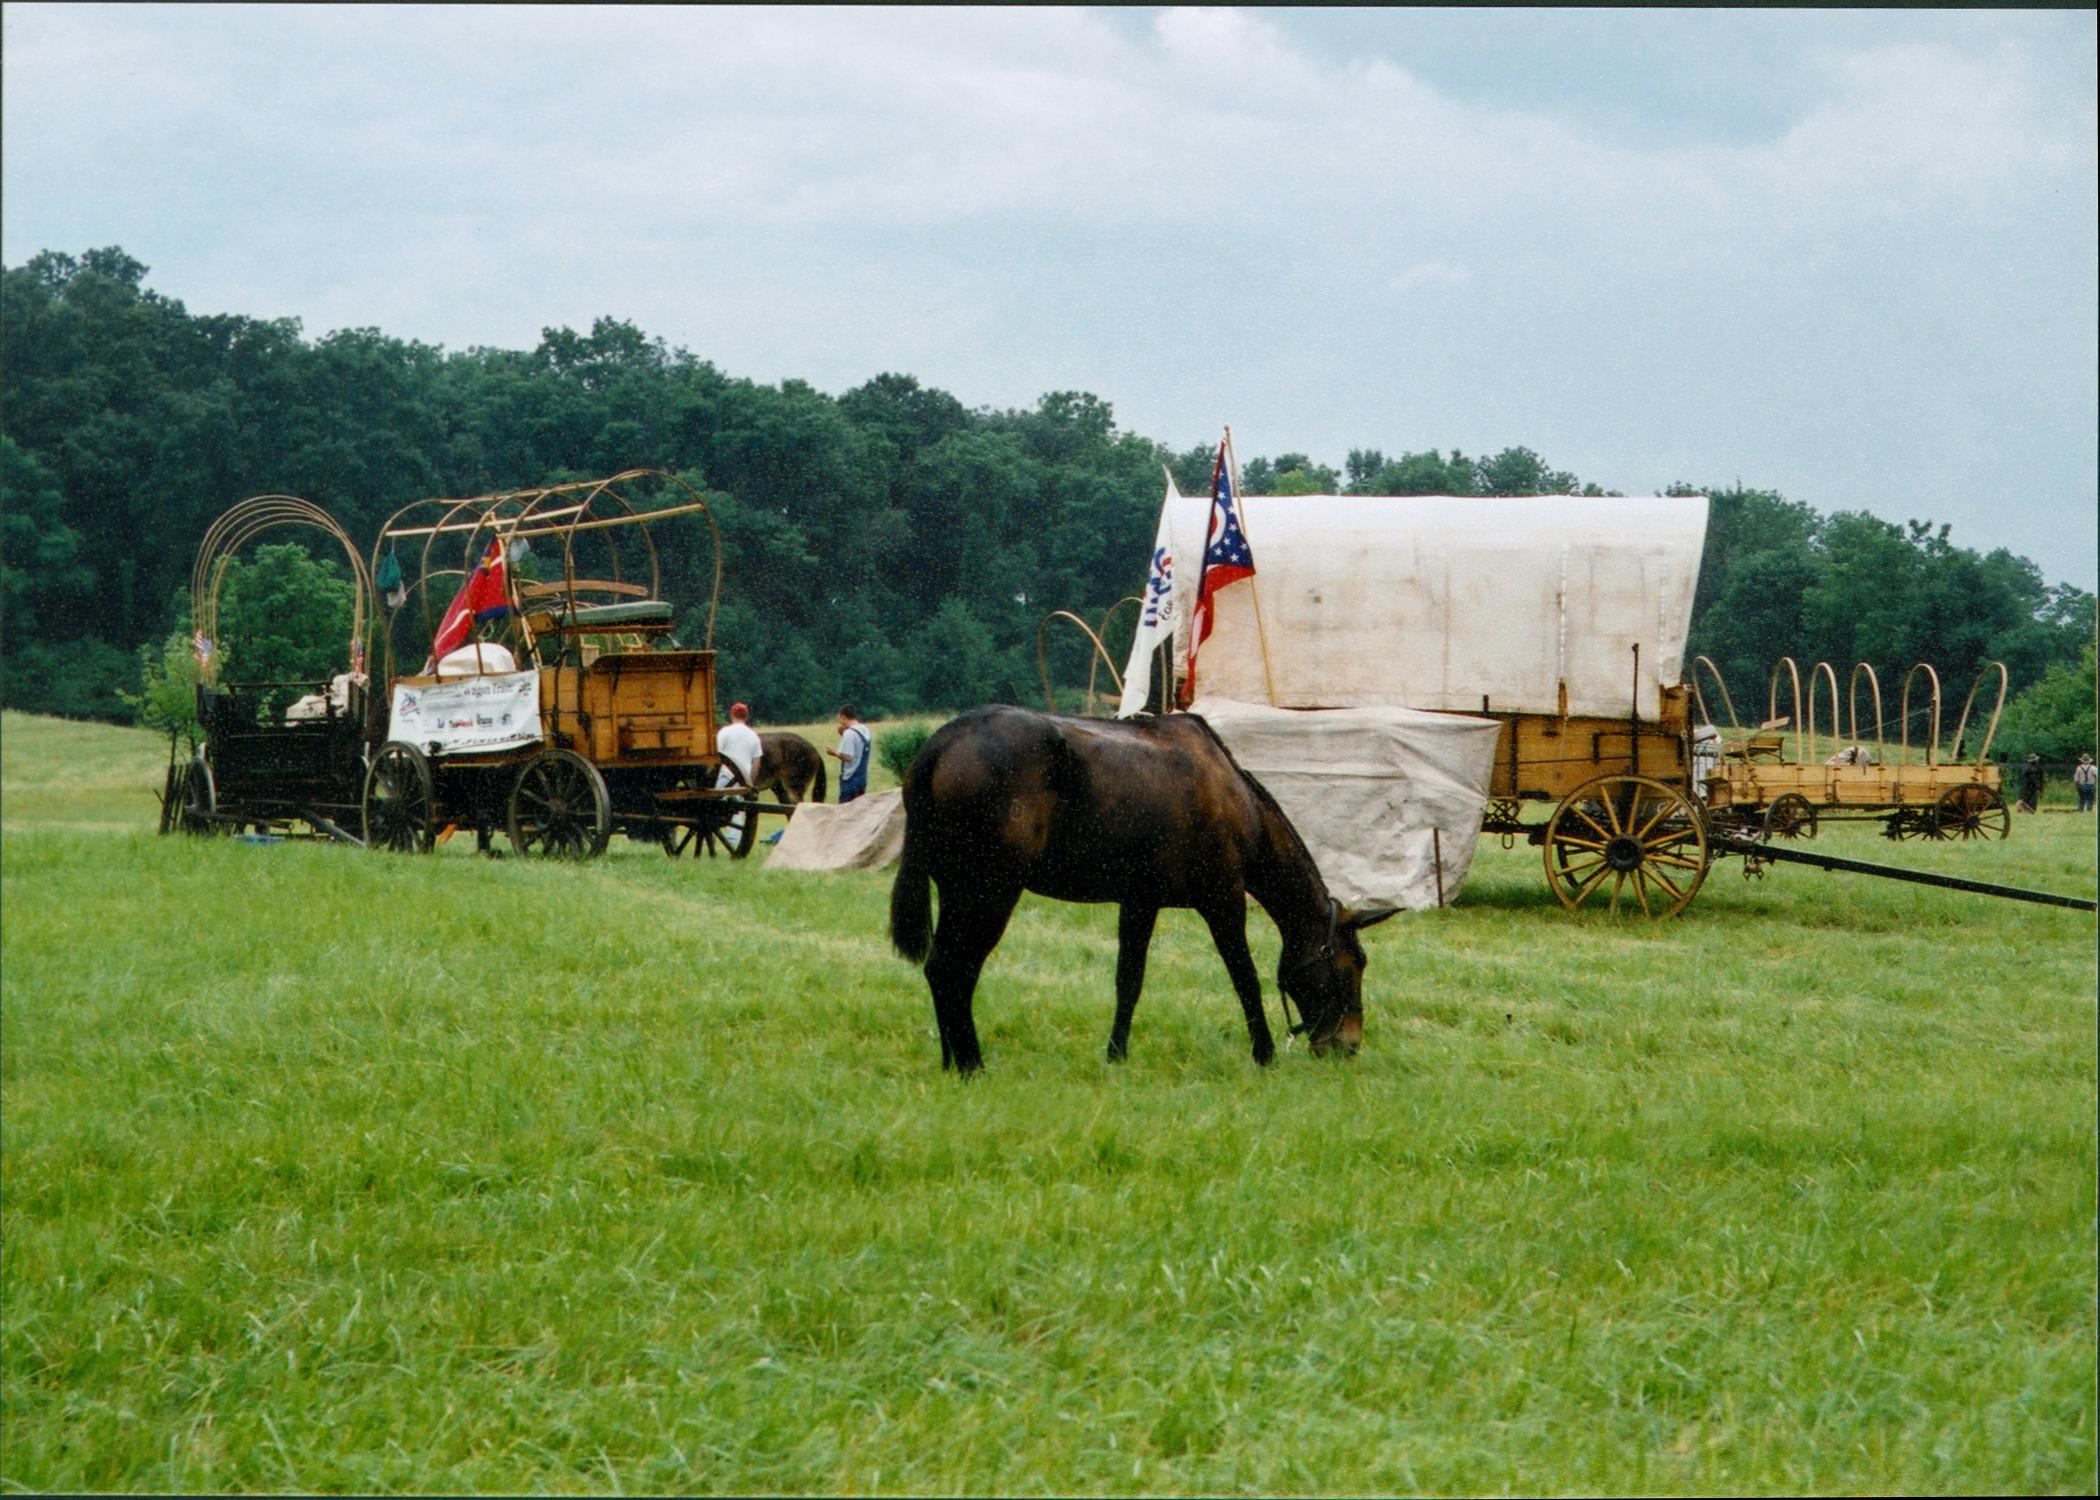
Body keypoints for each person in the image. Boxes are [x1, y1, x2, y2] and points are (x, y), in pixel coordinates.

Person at [829, 704, 872, 803]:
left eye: (840, 719)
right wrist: (843, 734)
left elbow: (848, 757)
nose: (839, 722)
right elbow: (858, 746)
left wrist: (834, 752)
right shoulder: (865, 729)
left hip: (850, 779)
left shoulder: (849, 734)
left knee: (845, 813)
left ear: (843, 717)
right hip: (862, 778)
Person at [717, 701, 761, 784]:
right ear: (746, 716)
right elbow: (756, 762)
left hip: (726, 777)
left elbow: (716, 756)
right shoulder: (753, 735)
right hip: (744, 779)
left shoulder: (724, 732)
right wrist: (750, 783)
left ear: (732, 715)